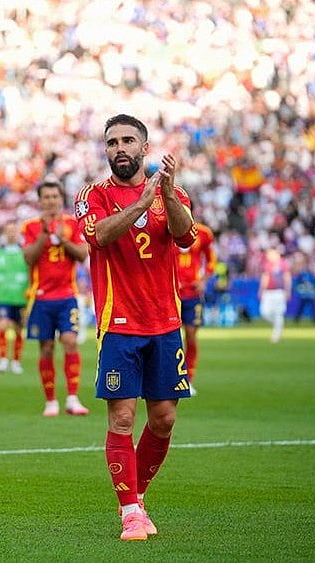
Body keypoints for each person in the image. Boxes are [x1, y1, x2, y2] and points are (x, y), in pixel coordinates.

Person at [73, 114, 196, 541]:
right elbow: (98, 236)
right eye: (112, 142)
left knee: (162, 419)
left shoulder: (173, 192)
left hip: (165, 323)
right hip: (119, 324)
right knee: (122, 417)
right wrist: (142, 203)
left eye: (128, 141)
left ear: (144, 148)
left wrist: (165, 196)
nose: (119, 148)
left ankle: (136, 495)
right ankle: (129, 512)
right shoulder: (94, 195)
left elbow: (185, 237)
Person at [20, 180, 89, 417]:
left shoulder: (72, 224)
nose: (51, 201)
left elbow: (82, 255)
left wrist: (64, 240)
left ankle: (72, 398)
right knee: (46, 348)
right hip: (40, 298)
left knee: (70, 341)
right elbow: (28, 258)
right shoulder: (30, 226)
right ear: (39, 201)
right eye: (46, 197)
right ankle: (51, 401)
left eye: (55, 196)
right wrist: (45, 235)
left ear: (61, 199)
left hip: (67, 296)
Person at [175, 221, 215, 395]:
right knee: (171, 338)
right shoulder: (165, 227)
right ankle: (173, 377)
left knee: (190, 336)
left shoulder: (203, 233)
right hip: (172, 293)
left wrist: (204, 280)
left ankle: (188, 379)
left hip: (192, 294)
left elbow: (212, 259)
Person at [0, 220, 29, 375]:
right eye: (8, 230)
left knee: (18, 329)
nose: (11, 233)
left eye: (14, 230)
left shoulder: (25, 252)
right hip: (3, 295)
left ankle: (16, 361)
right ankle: (3, 359)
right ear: (4, 233)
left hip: (21, 296)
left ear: (17, 233)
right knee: (3, 325)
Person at [258, 246, 291, 343]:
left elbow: (287, 277)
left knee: (278, 313)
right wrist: (261, 290)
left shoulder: (283, 264)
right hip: (268, 292)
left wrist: (288, 290)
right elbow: (265, 277)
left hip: (279, 291)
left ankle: (276, 334)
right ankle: (277, 325)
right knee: (265, 312)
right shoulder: (268, 265)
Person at [292, 254, 315, 324]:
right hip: (304, 294)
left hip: (310, 294)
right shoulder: (302, 274)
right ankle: (297, 319)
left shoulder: (311, 275)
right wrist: (299, 290)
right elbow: (297, 283)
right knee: (301, 307)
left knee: (313, 307)